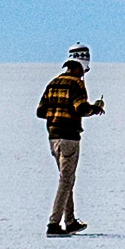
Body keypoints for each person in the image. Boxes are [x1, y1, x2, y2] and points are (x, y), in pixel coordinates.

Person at [37, 43, 105, 236]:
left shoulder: (53, 83)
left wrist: (57, 112)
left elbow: (40, 111)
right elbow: (81, 108)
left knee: (66, 180)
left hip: (53, 138)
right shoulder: (76, 83)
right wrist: (96, 108)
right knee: (66, 181)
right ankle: (54, 224)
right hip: (69, 139)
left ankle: (70, 221)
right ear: (82, 64)